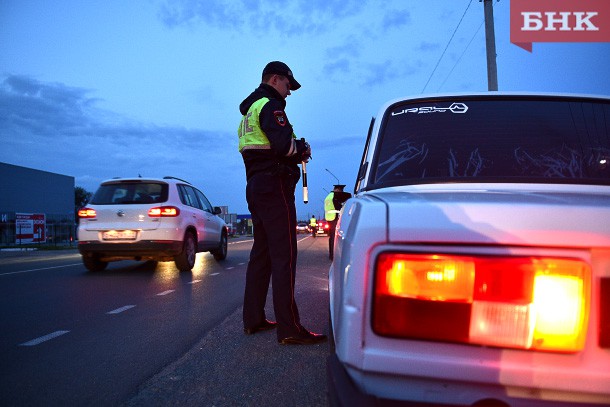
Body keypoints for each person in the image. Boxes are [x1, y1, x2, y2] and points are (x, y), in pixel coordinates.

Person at [238, 61, 326, 345]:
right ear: (275, 79)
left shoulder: (248, 112)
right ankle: (289, 328)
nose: (290, 92)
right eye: (288, 85)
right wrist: (302, 148)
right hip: (275, 187)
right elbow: (285, 147)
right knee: (284, 256)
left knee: (261, 256)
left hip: (256, 186)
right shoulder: (270, 106)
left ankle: (253, 319)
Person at [324, 184, 352, 260]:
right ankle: (333, 255)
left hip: (329, 218)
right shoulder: (334, 196)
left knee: (331, 237)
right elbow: (338, 206)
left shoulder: (329, 196)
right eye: (341, 190)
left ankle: (331, 255)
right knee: (334, 237)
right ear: (337, 189)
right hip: (334, 217)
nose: (341, 192)